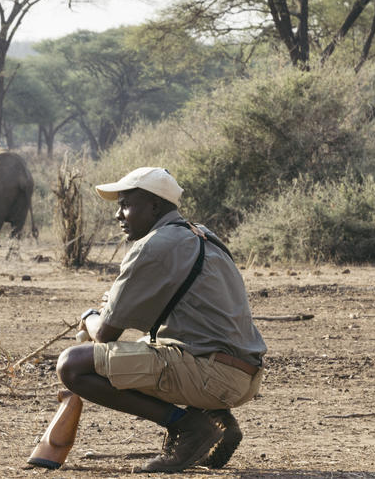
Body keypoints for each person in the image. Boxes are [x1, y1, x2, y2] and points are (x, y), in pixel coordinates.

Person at [56, 167, 266, 473]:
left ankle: (190, 427)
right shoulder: (204, 235)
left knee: (72, 364)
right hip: (243, 376)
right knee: (149, 344)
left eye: (126, 205)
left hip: (211, 376)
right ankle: (220, 421)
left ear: (154, 206)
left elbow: (105, 335)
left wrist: (89, 317)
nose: (119, 215)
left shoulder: (152, 246)